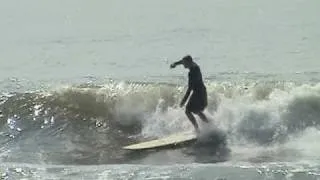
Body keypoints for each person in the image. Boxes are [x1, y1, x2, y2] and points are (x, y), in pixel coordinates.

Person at [170, 55, 209, 133]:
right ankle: (209, 125)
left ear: (189, 62)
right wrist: (175, 63)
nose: (183, 65)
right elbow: (183, 61)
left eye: (185, 63)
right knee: (196, 110)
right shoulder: (194, 65)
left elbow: (189, 89)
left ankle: (197, 129)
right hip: (202, 91)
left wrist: (183, 101)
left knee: (188, 111)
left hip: (198, 94)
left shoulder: (192, 73)